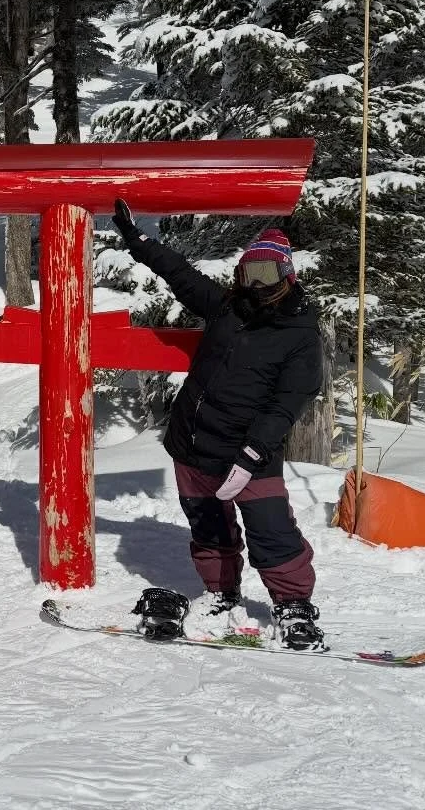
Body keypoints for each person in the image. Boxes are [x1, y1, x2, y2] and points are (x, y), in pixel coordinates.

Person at [112, 199, 325, 650]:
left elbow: (289, 402)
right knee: (208, 526)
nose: (257, 283)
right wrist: (138, 241)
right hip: (193, 445)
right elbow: (180, 274)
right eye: (250, 273)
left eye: (268, 273)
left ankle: (293, 603)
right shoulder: (227, 307)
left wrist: (251, 455)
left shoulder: (300, 333)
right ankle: (221, 592)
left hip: (251, 454)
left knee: (272, 529)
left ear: (289, 277)